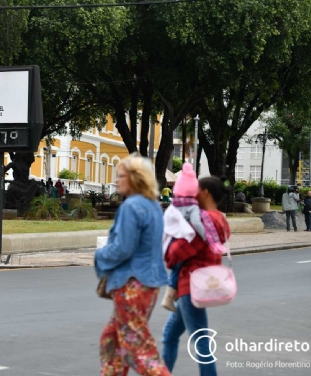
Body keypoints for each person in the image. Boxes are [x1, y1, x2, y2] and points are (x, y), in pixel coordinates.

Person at [94, 155, 171, 376]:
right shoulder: (153, 206)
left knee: (140, 351)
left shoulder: (131, 206)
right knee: (112, 343)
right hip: (149, 284)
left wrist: (99, 256)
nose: (116, 180)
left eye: (121, 176)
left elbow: (122, 248)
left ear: (135, 178)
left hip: (132, 285)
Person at [162, 176, 231, 376]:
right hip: (196, 283)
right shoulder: (219, 219)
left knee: (201, 343)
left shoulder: (205, 221)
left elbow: (181, 250)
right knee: (170, 336)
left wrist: (168, 254)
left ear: (205, 193)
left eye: (196, 190)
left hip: (190, 284)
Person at [161, 163, 224, 312]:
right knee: (180, 267)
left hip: (170, 241)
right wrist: (206, 237)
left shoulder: (173, 205)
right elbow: (196, 223)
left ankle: (172, 295)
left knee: (176, 268)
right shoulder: (193, 207)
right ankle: (170, 296)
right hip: (183, 243)